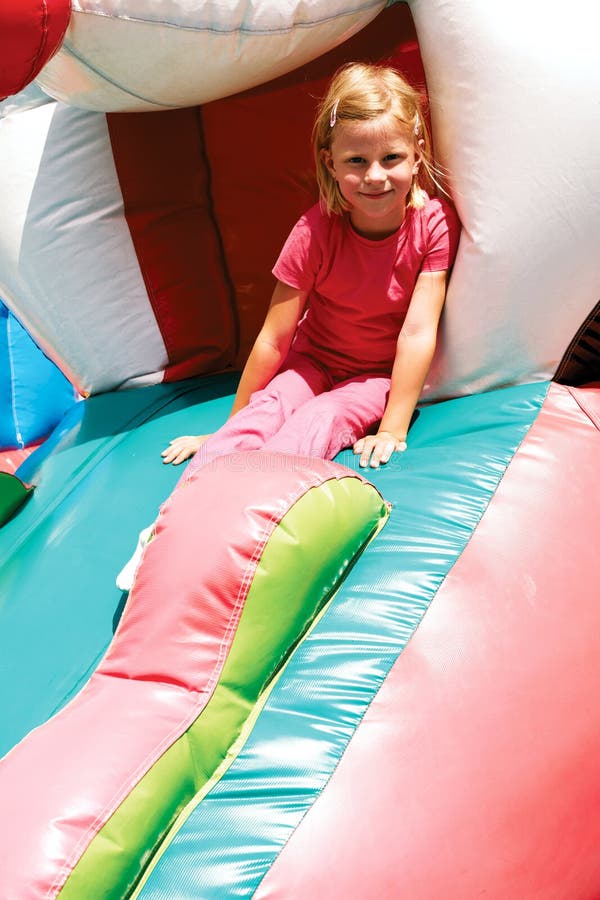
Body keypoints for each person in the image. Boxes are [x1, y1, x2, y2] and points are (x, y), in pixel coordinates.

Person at [116, 61, 460, 591]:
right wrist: (230, 423)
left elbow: (417, 331)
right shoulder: (315, 229)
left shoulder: (432, 224)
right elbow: (276, 336)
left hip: (371, 376)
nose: (374, 175)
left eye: (390, 157)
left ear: (416, 151)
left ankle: (243, 529)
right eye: (356, 160)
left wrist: (393, 426)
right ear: (330, 161)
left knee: (316, 421)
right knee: (268, 413)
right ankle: (168, 534)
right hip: (314, 360)